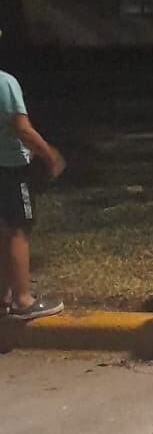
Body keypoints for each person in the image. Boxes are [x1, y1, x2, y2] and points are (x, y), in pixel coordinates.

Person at [0, 64, 67, 321]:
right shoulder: (5, 83)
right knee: (19, 229)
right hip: (11, 169)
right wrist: (49, 155)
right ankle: (22, 299)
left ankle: (3, 296)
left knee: (3, 230)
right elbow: (22, 128)